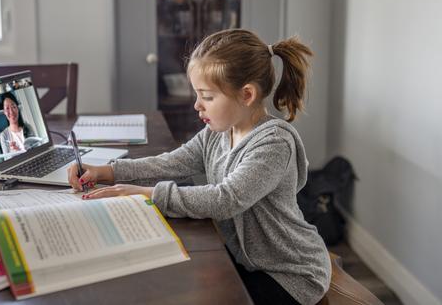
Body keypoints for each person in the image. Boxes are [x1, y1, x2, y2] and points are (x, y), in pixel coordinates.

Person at [67, 29, 331, 305]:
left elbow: (225, 200)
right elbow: (173, 162)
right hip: (247, 260)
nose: (197, 105)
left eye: (207, 96)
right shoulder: (219, 132)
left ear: (247, 94)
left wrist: (146, 194)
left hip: (290, 274)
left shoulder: (274, 144)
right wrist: (106, 172)